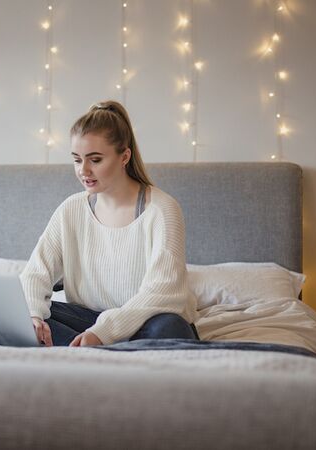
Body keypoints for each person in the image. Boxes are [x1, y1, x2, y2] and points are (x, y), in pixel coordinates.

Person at [20, 100, 198, 347]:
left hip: (147, 321)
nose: (84, 170)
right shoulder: (70, 209)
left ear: (124, 156)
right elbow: (35, 273)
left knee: (170, 327)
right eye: (76, 160)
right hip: (88, 320)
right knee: (17, 314)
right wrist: (33, 315)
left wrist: (103, 333)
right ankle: (101, 353)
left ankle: (88, 351)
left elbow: (164, 290)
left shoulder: (161, 209)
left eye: (95, 160)